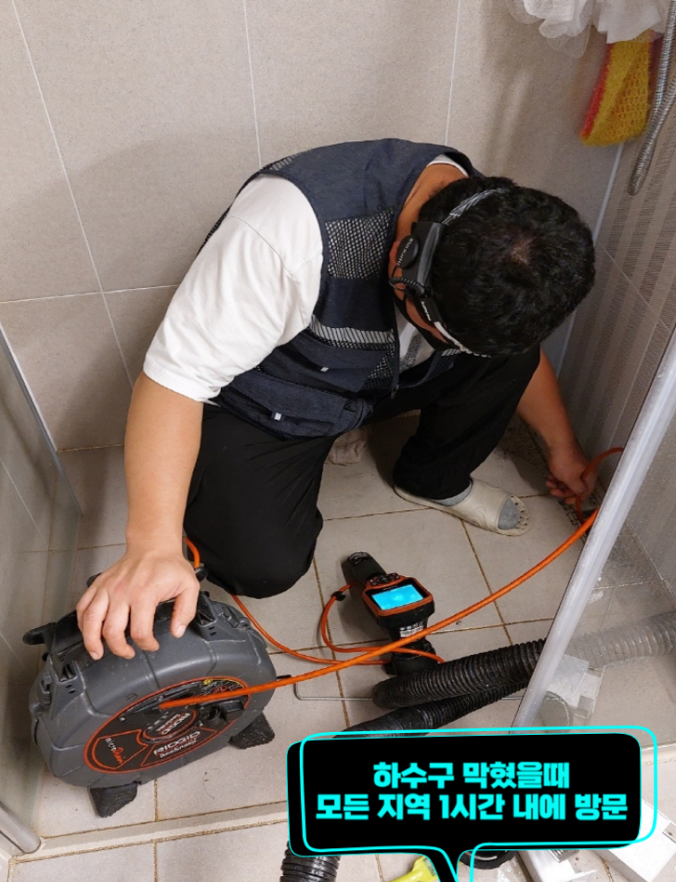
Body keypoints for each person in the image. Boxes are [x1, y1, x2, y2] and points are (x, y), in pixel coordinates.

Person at [76, 139, 596, 661]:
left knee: (505, 353)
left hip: (385, 372)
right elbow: (177, 379)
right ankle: (320, 440)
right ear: (403, 260)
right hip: (281, 394)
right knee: (260, 566)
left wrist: (563, 448)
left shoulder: (502, 230)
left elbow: (510, 346)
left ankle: (431, 478)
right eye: (440, 333)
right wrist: (152, 545)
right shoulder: (287, 230)